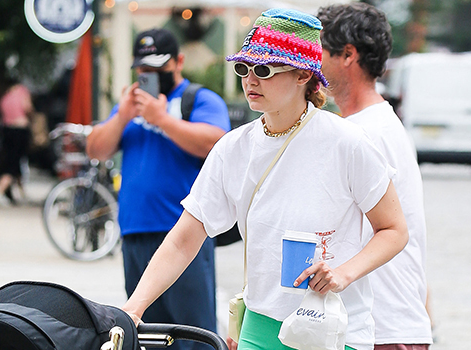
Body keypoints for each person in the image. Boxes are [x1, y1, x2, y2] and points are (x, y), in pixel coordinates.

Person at [121, 9, 409, 350]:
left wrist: (344, 273)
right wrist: (133, 308)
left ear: (303, 74)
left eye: (264, 69)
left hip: (333, 326)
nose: (250, 80)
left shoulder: (347, 142)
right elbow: (184, 238)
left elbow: (394, 230)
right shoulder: (233, 148)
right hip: (259, 327)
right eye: (244, 68)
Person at [86, 28, 230, 350]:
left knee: (193, 334)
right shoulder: (129, 105)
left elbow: (217, 143)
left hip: (184, 234)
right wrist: (123, 115)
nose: (149, 75)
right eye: (143, 69)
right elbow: (96, 148)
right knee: (143, 331)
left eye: (156, 67)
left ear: (178, 61)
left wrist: (162, 120)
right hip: (135, 231)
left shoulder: (199, 98)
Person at [317, 3, 433, 349]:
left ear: (347, 55)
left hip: (382, 326)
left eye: (318, 50)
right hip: (385, 321)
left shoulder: (365, 133)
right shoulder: (376, 124)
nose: (312, 62)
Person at [0, 78, 33, 206]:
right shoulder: (22, 91)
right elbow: (27, 108)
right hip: (20, 129)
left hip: (6, 130)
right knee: (13, 163)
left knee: (13, 162)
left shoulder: (1, 93)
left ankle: (21, 192)